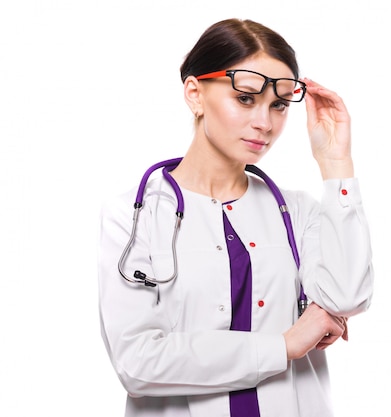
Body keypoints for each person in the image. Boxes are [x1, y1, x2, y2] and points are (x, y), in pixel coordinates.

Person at [97, 18, 374, 417]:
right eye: (245, 98)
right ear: (194, 94)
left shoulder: (297, 211)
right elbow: (138, 364)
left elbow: (347, 297)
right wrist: (285, 344)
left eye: (278, 105)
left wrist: (336, 163)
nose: (265, 123)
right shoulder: (133, 216)